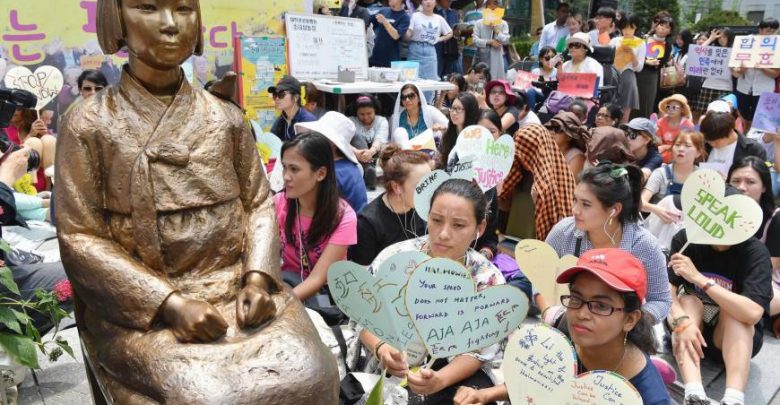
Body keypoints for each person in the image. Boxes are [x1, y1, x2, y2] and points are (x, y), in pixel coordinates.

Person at [55, 0, 339, 401]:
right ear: (117, 18)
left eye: (184, 9)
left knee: (313, 373)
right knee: (204, 396)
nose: (170, 24)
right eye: (148, 8)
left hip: (236, 289)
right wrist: (168, 303)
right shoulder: (88, 123)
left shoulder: (226, 117)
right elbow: (79, 236)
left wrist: (257, 279)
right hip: (145, 309)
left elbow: (258, 205)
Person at [454, 249, 671, 405]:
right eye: (576, 298)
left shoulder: (649, 397)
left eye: (601, 306)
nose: (582, 314)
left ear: (630, 319)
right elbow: (538, 380)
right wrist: (484, 395)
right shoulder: (564, 331)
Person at [359, 178, 506, 404]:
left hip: (454, 374)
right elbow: (362, 315)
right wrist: (382, 348)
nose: (444, 234)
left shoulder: (487, 279)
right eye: (436, 220)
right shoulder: (396, 259)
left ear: (480, 228)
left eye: (458, 225)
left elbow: (479, 350)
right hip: (393, 366)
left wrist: (439, 380)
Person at [667, 196, 772, 405]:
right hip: (689, 330)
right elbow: (665, 292)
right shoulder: (685, 240)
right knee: (689, 301)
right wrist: (680, 322)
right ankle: (693, 393)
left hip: (732, 339)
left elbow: (752, 313)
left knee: (735, 313)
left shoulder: (755, 253)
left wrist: (699, 279)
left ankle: (733, 399)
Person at [546, 164, 672, 323]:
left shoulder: (645, 245)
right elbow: (539, 274)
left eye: (586, 204)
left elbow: (661, 300)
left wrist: (629, 324)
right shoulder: (564, 231)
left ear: (614, 210)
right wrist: (549, 314)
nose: (575, 210)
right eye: (575, 200)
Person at [275, 133, 358, 301]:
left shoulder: (344, 217)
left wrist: (277, 305)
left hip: (325, 297)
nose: (285, 176)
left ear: (320, 174)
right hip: (287, 285)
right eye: (284, 167)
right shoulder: (278, 203)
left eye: (294, 169)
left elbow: (317, 279)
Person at [350, 146, 431, 265]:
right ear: (396, 187)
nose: (430, 191)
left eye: (430, 183)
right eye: (422, 186)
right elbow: (363, 275)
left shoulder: (426, 209)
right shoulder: (367, 223)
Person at [499, 123, 576, 240]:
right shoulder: (517, 169)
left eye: (524, 148)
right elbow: (502, 198)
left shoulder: (551, 179)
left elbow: (556, 217)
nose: (518, 153)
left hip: (540, 241)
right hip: (512, 236)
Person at [295, 111, 367, 212]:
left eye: (317, 136)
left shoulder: (335, 173)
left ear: (332, 143)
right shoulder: (343, 166)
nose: (313, 140)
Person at [732, 18, 780, 132]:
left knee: (761, 122)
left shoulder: (777, 47)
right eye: (768, 30)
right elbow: (735, 69)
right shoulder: (747, 42)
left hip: (764, 89)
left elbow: (776, 73)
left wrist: (762, 67)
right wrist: (741, 70)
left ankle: (755, 143)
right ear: (760, 30)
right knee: (741, 117)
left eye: (774, 31)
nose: (771, 34)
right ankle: (742, 139)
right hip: (743, 87)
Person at [642, 130, 705, 217]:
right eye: (677, 145)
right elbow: (641, 203)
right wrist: (656, 210)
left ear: (698, 152)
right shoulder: (661, 173)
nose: (681, 149)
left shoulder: (703, 178)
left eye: (687, 146)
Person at [2, 109, 55, 192]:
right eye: (11, 106)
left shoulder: (38, 126)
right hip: (20, 183)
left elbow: (53, 155)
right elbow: (10, 158)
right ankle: (29, 189)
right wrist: (30, 135)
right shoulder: (5, 129)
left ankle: (50, 188)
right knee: (33, 142)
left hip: (44, 185)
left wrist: (44, 134)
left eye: (18, 108)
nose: (12, 110)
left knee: (49, 139)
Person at [701, 111, 766, 176]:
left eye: (716, 141)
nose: (712, 144)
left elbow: (759, 178)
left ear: (730, 132)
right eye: (709, 141)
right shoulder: (705, 146)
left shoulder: (753, 150)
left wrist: (731, 182)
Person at [405, 0, 453, 86]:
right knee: (412, 81)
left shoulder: (439, 18)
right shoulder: (415, 15)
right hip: (415, 48)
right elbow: (409, 32)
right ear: (421, 2)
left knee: (431, 81)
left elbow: (450, 33)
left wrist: (439, 39)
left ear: (435, 3)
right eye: (425, 0)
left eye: (431, 0)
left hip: (430, 50)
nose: (428, 2)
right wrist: (406, 33)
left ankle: (428, 100)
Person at [637, 11, 674, 118]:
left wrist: (656, 63)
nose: (662, 28)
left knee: (647, 102)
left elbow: (662, 62)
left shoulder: (667, 45)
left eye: (667, 27)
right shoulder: (644, 39)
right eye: (661, 25)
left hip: (652, 76)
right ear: (656, 26)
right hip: (638, 73)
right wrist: (645, 61)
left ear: (670, 31)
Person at [610, 13, 645, 124]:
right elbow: (607, 60)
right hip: (613, 75)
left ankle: (622, 135)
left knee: (625, 113)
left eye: (631, 27)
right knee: (609, 109)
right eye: (624, 27)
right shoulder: (615, 41)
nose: (627, 30)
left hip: (628, 76)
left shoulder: (640, 43)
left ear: (636, 27)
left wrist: (632, 55)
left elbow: (639, 68)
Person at [349, 94, 389, 190]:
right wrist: (357, 152)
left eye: (369, 113)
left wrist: (371, 152)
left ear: (375, 110)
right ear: (356, 113)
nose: (366, 117)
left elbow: (380, 139)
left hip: (377, 153)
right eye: (362, 114)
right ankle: (368, 169)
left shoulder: (381, 121)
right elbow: (342, 141)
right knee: (357, 137)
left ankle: (369, 170)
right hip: (358, 155)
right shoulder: (350, 121)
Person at [693, 28, 734, 119]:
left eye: (724, 37)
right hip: (708, 85)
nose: (721, 39)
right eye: (719, 37)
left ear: (729, 38)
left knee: (722, 115)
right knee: (703, 113)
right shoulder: (712, 50)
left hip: (725, 87)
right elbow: (697, 52)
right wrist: (711, 38)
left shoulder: (734, 51)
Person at [438, 92, 481, 169]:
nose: (454, 113)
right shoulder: (447, 135)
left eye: (458, 109)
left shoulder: (478, 137)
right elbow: (441, 161)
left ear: (470, 111)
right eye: (453, 108)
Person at [268, 75, 316, 142]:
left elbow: (303, 151)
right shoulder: (283, 117)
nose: (277, 98)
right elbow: (271, 140)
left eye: (281, 94)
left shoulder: (307, 121)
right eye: (275, 94)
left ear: (296, 97)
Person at [472, 0, 510, 80]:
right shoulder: (479, 23)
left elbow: (506, 41)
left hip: (497, 57)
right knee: (481, 81)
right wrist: (490, 42)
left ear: (499, 6)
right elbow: (475, 40)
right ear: (485, 6)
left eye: (495, 3)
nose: (492, 6)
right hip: (482, 57)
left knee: (495, 81)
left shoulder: (503, 23)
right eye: (489, 4)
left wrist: (497, 31)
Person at [545, 111, 590, 180]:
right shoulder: (548, 149)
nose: (552, 132)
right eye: (550, 127)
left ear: (569, 136)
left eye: (558, 129)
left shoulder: (576, 157)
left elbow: (569, 187)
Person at [369, 0, 411, 68]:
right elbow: (368, 22)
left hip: (391, 60)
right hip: (375, 57)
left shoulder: (405, 17)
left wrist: (385, 22)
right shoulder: (383, 10)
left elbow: (396, 35)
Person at [656, 94, 695, 163]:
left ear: (682, 109)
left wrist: (665, 147)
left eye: (674, 107)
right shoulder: (661, 122)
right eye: (668, 107)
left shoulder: (688, 125)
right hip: (662, 154)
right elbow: (658, 142)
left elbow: (687, 145)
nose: (671, 109)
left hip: (680, 154)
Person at [521, 46, 558, 110]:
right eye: (547, 58)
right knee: (530, 91)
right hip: (540, 95)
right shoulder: (536, 71)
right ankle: (530, 114)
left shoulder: (558, 72)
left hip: (554, 97)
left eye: (553, 57)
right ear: (541, 59)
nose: (550, 60)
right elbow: (528, 86)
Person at [435, 0, 462, 77]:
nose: (450, 2)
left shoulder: (453, 13)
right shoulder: (432, 11)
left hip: (451, 50)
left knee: (450, 76)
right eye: (448, 0)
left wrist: (457, 33)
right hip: (437, 48)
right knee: (436, 75)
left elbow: (456, 33)